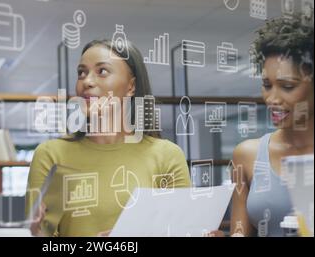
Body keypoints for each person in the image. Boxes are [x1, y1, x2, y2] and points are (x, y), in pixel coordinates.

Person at [26, 39, 191, 237]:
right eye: (81, 72)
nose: (87, 81)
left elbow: (181, 232)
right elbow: (40, 236)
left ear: (131, 86)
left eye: (102, 71)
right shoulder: (51, 155)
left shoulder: (167, 155)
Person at [230, 13, 313, 237]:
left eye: (287, 86)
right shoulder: (247, 155)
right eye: (267, 85)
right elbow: (240, 233)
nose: (272, 99)